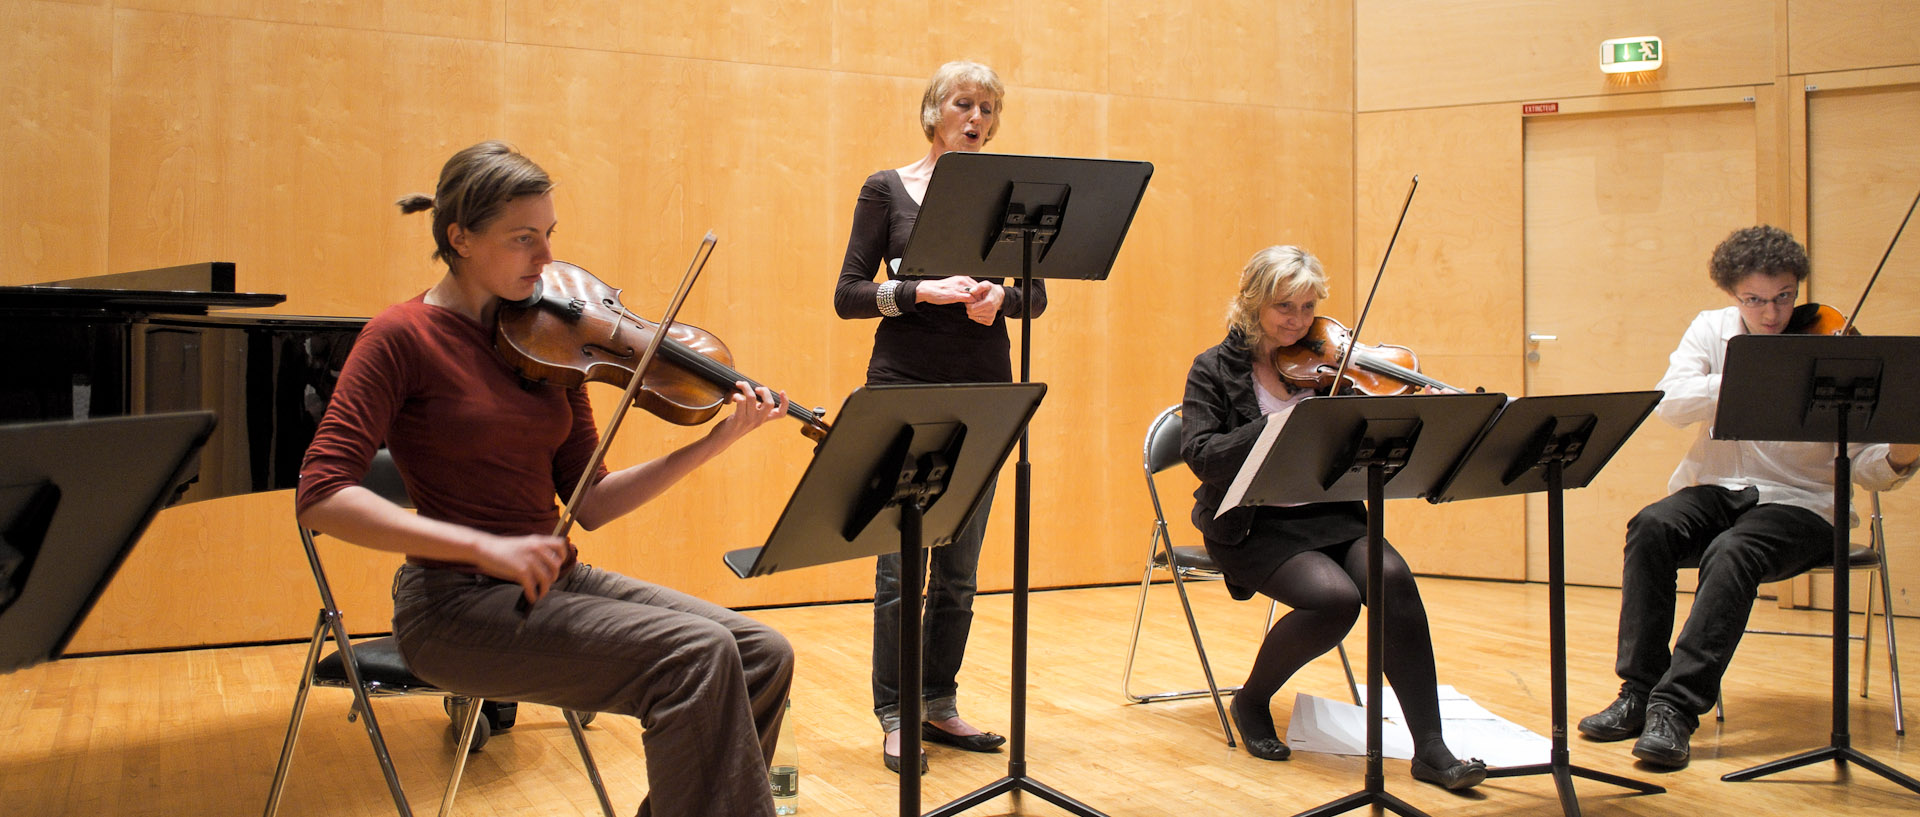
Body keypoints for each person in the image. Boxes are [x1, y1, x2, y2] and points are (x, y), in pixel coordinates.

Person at [296, 141, 796, 817]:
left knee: (761, 650)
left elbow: (591, 500)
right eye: (523, 238)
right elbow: (322, 495)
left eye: (549, 235)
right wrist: (483, 547)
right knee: (698, 654)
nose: (547, 259)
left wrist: (711, 443)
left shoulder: (547, 339)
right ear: (460, 238)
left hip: (549, 586)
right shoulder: (401, 336)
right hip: (452, 606)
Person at [1576, 225, 1918, 769]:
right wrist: (1752, 371)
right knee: (1652, 526)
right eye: (1754, 301)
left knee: (1734, 551)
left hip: (1805, 506)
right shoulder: (1711, 331)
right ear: (1733, 294)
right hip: (1717, 489)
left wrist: (1904, 453)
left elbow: (1870, 466)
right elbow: (1670, 403)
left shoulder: (1834, 344)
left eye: (1784, 297)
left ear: (1797, 288)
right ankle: (1638, 693)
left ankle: (1675, 709)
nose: (1771, 315)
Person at [1180, 245, 1486, 790]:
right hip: (1251, 523)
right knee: (1335, 599)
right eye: (1284, 307)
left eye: (1307, 305)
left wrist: (1413, 404)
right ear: (1252, 304)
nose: (1298, 321)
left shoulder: (1332, 363)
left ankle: (1431, 749)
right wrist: (1285, 422)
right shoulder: (1213, 368)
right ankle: (1252, 701)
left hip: (1331, 514)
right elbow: (1202, 454)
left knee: (1393, 580)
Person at [832, 60, 1045, 774]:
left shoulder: (1007, 196)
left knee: (959, 568)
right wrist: (920, 291)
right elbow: (850, 292)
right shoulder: (887, 188)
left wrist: (1000, 301)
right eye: (963, 102)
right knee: (901, 568)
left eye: (988, 106)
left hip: (983, 389)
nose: (976, 116)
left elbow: (1034, 297)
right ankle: (894, 712)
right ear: (933, 112)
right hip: (904, 387)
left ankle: (938, 701)